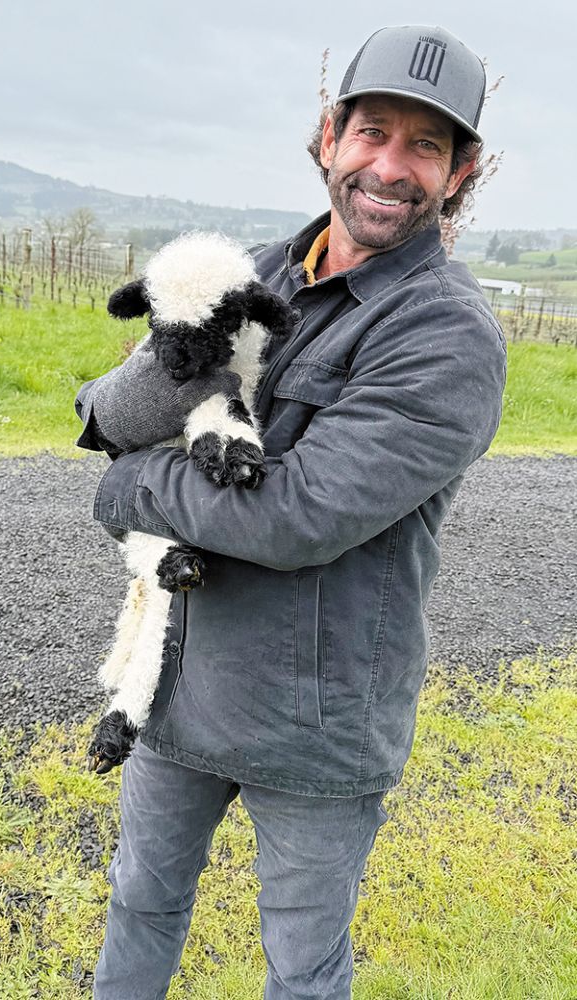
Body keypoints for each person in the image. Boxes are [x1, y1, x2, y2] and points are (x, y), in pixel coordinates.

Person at [75, 24, 507, 1000]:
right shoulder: (255, 268)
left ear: (461, 170)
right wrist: (101, 410)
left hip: (316, 724)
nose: (389, 166)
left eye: (425, 145)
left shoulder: (446, 335)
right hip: (182, 686)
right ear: (328, 136)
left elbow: (299, 512)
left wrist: (126, 487)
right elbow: (132, 398)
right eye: (372, 132)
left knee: (303, 967)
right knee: (140, 902)